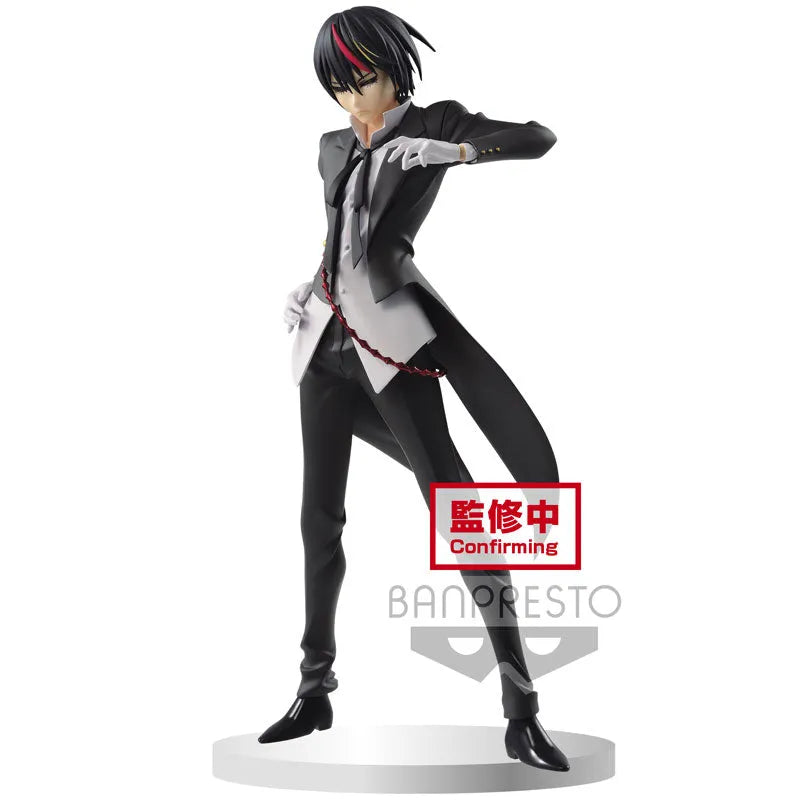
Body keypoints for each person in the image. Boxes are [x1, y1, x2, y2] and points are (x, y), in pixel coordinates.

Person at [259, 6, 569, 772]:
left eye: (361, 81)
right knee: (318, 517)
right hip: (324, 343)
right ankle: (314, 687)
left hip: (394, 345)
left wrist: (455, 151)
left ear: (394, 71)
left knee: (456, 510)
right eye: (338, 88)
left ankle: (521, 708)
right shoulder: (331, 146)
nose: (352, 101)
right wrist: (310, 284)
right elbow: (341, 236)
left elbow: (537, 137)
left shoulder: (433, 122)